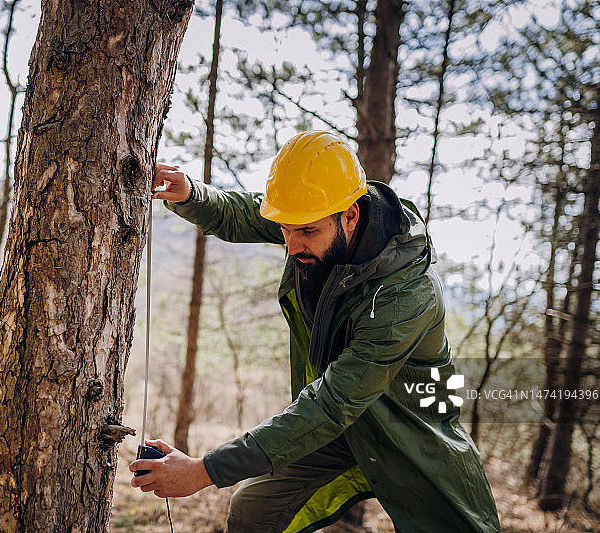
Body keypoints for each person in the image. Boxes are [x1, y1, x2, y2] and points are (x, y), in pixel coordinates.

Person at [130, 131, 501, 532]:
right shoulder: (313, 219)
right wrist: (191, 195)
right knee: (253, 508)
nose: (291, 246)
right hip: (342, 423)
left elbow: (330, 404)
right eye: (285, 230)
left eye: (305, 232)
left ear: (351, 216)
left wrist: (204, 470)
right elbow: (245, 212)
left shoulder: (406, 295)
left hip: (411, 428)